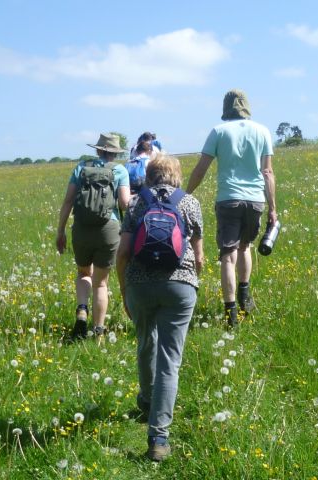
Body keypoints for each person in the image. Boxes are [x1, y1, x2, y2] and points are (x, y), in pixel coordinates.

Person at [116, 154, 204, 462]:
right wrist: (192, 280)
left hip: (139, 285)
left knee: (145, 343)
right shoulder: (190, 203)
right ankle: (158, 437)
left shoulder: (135, 204)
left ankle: (146, 401)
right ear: (177, 176)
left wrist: (124, 289)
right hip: (180, 286)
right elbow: (201, 257)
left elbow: (124, 252)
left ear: (149, 175)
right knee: (170, 360)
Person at [186, 88, 277, 327]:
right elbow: (267, 172)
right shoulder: (263, 131)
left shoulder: (218, 131)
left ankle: (231, 313)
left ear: (225, 108)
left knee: (228, 255)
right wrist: (273, 208)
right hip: (255, 199)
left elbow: (201, 168)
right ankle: (245, 296)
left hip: (228, 198)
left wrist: (184, 195)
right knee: (245, 247)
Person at [56, 133, 130, 341]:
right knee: (101, 283)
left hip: (81, 228)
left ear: (98, 150)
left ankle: (81, 310)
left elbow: (68, 201)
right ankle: (98, 333)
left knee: (83, 273)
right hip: (109, 229)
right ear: (115, 152)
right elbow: (124, 203)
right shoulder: (119, 170)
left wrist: (60, 231)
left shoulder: (81, 168)